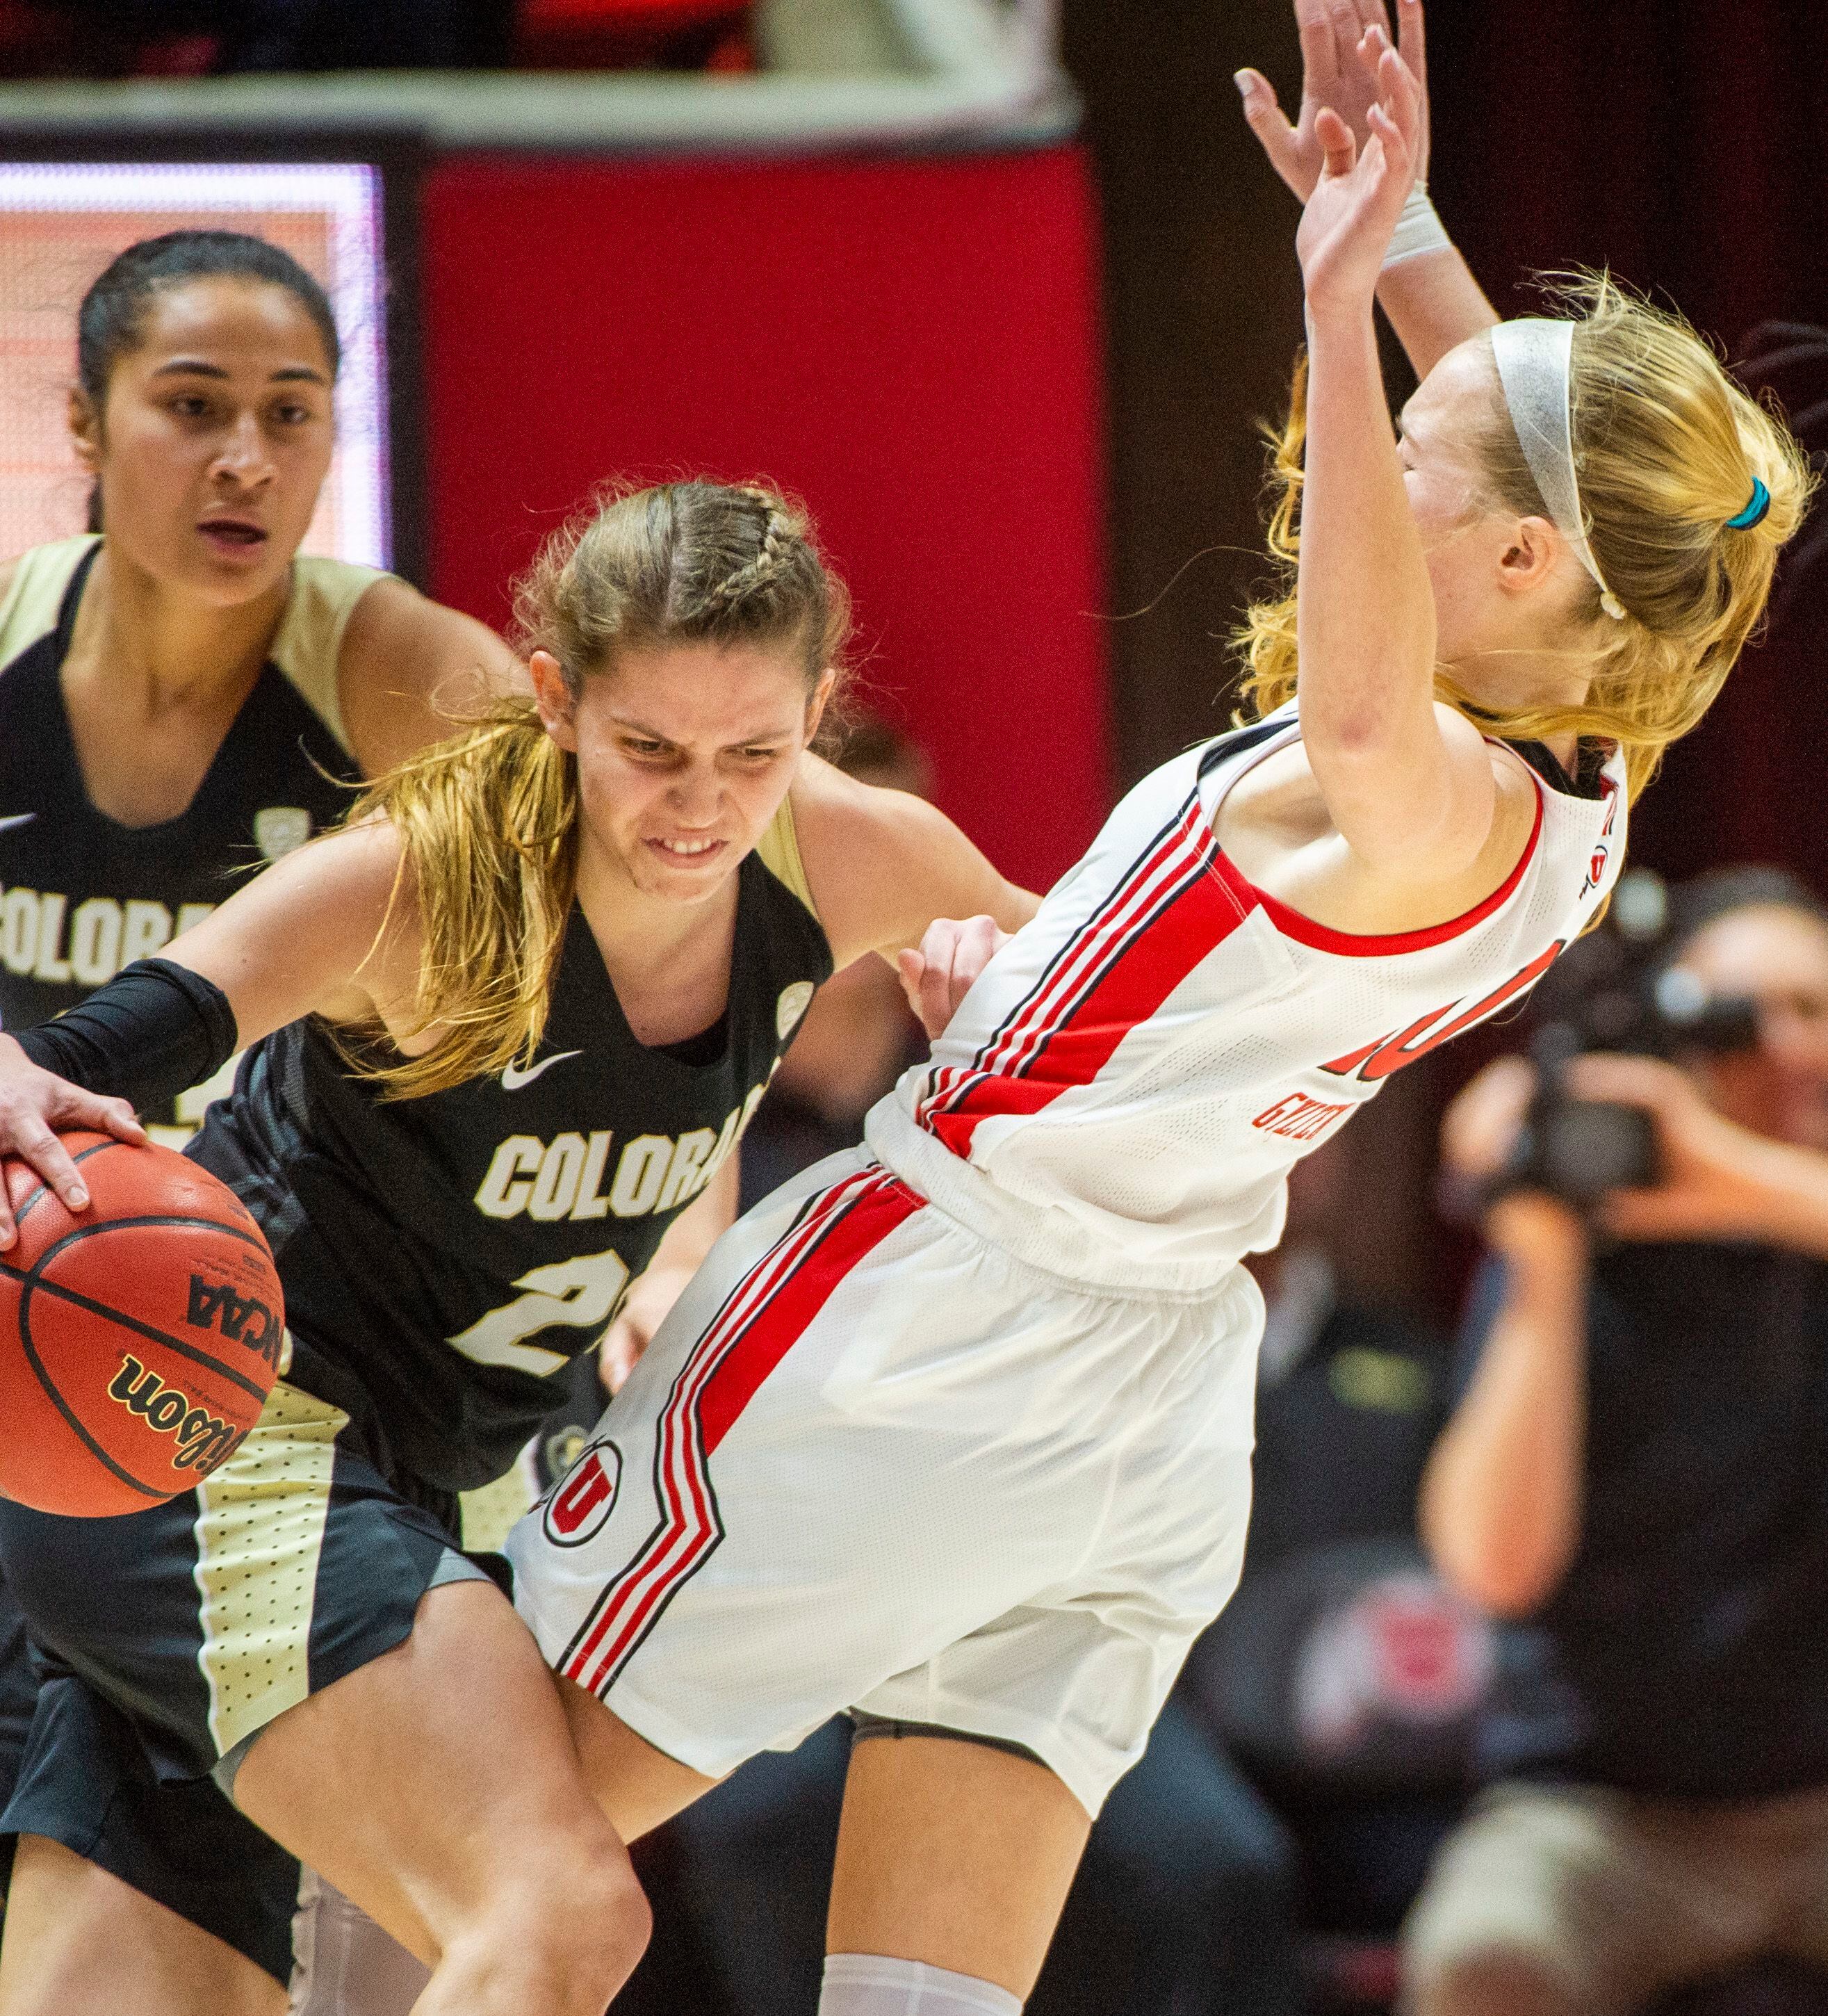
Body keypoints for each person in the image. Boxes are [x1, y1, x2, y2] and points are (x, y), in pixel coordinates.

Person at [493, 10, 1808, 2013]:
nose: (1378, 425)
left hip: (947, 1319)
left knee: (486, 1836)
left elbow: (1364, 688)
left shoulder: (1421, 774)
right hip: (1145, 1394)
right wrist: (1405, 214)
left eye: (1419, 443)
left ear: (1521, 553)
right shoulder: (1573, 777)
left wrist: (1327, 288)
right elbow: (1524, 432)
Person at [0, 475, 1036, 2016]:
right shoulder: (419, 878)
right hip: (217, 1434)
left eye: (753, 751)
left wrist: (1004, 1019)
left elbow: (1148, 1019)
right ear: (554, 698)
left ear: (818, 712)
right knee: (557, 1915)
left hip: (450, 1482)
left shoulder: (852, 856)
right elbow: (96, 1053)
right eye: (650, 750)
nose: (700, 803)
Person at [0, 225, 522, 2016]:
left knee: (372, 1948)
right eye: (194, 407)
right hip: (45, 1319)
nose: (247, 459)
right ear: (83, 420)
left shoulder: (410, 680)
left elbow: (647, 883)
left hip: (308, 1357)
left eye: (290, 415)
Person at [1405, 866, 1828, 2016]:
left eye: (1817, 1012)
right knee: (1482, 1959)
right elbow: (1494, 1570)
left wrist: (1734, 1182)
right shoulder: (1577, 1228)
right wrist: (1542, 1267)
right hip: (1601, 1810)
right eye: (1745, 1020)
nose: (1789, 1051)